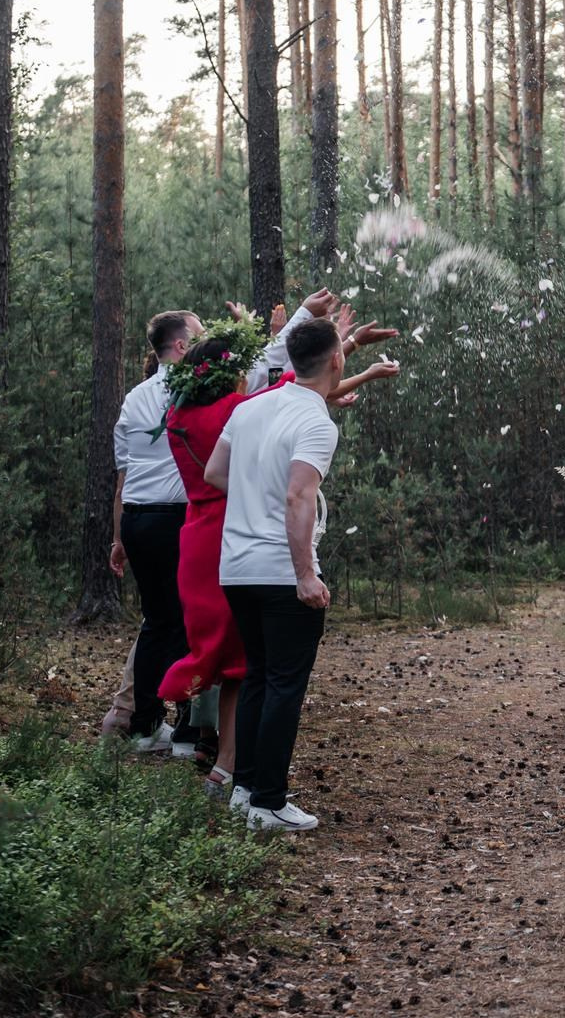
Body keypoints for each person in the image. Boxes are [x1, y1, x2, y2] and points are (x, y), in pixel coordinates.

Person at [158, 292, 397, 795]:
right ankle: (266, 798)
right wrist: (306, 573)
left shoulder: (244, 411)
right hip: (278, 568)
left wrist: (250, 493)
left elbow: (216, 472)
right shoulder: (312, 420)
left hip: (232, 564)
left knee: (254, 678)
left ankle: (242, 787)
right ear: (335, 360)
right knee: (283, 686)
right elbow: (297, 495)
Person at [106, 308, 203, 757]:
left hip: (137, 520)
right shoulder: (191, 389)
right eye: (199, 335)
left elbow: (123, 478)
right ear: (181, 345)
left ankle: (145, 724)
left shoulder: (132, 398)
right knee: (182, 623)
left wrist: (119, 538)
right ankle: (184, 725)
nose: (205, 342)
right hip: (173, 519)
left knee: (156, 622)